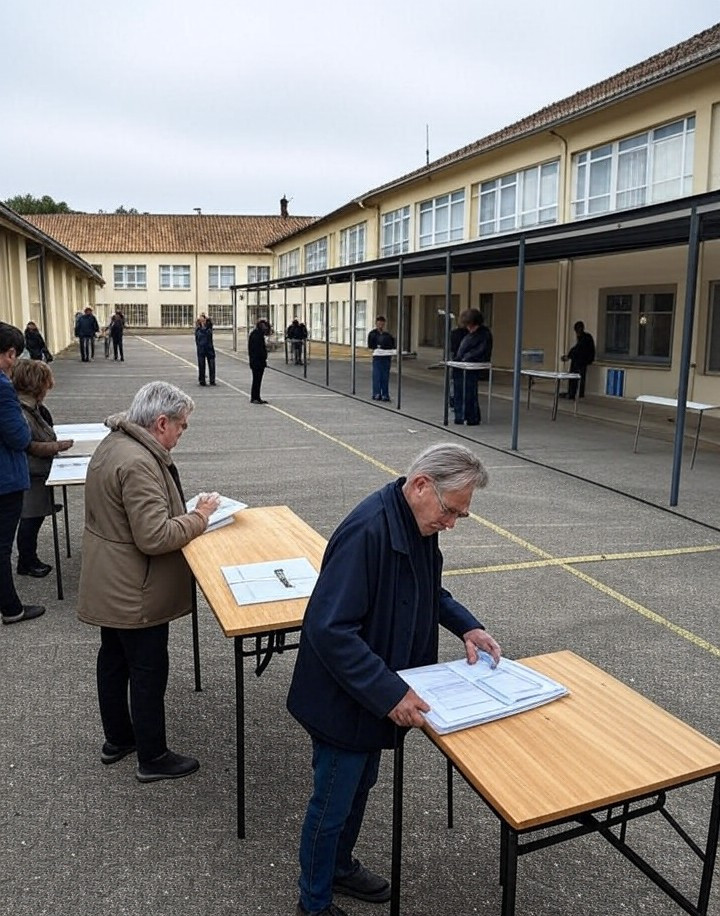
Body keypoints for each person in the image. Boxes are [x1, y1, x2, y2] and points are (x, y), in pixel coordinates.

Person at [287, 443, 501, 916]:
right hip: (344, 698)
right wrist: (391, 692)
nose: (450, 524)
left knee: (360, 785)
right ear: (421, 484)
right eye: (450, 512)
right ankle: (313, 902)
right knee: (332, 801)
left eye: (459, 518)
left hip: (373, 692)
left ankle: (339, 867)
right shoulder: (368, 531)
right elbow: (328, 628)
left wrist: (467, 624)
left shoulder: (418, 523)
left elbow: (429, 590)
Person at [77, 381, 221, 781]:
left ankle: (119, 739)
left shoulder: (116, 443)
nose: (182, 433)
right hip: (135, 588)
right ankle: (152, 756)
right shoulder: (139, 461)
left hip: (112, 578)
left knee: (113, 660)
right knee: (147, 669)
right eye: (182, 426)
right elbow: (154, 536)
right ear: (161, 422)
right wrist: (200, 516)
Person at [0, 321, 45, 625]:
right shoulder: (3, 387)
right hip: (5, 478)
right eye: (13, 356)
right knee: (2, 547)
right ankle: (11, 608)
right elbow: (19, 437)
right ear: (9, 353)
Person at [12, 360, 74, 577]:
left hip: (37, 472)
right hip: (31, 473)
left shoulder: (30, 406)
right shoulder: (22, 410)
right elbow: (29, 445)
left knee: (34, 516)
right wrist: (57, 446)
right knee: (30, 517)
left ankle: (29, 558)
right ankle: (27, 561)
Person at [452, 309, 492, 426]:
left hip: (473, 365)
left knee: (469, 392)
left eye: (470, 326)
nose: (469, 329)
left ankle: (471, 417)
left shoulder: (484, 334)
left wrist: (466, 358)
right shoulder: (470, 334)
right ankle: (460, 416)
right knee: (459, 391)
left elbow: (481, 351)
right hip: (463, 365)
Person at [562, 321, 595, 399]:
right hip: (584, 360)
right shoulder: (586, 337)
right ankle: (577, 393)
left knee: (574, 376)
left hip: (581, 361)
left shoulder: (584, 338)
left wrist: (568, 356)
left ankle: (572, 393)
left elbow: (577, 349)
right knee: (580, 377)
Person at [367, 316, 395, 402]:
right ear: (376, 323)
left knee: (385, 376)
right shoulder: (372, 334)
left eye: (382, 324)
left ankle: (385, 394)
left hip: (386, 357)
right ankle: (376, 393)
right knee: (377, 375)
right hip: (377, 357)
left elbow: (392, 345)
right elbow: (370, 345)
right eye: (379, 323)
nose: (380, 325)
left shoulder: (387, 335)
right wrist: (377, 347)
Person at [448, 312, 469, 409]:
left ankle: (453, 400)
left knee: (455, 381)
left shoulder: (454, 333)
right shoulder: (470, 334)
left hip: (457, 359)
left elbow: (451, 348)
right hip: (467, 361)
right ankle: (459, 401)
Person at [248, 318, 271, 404]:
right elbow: (258, 350)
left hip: (256, 361)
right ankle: (255, 397)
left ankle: (256, 397)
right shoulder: (257, 335)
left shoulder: (255, 334)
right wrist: (264, 357)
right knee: (256, 380)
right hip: (257, 361)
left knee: (257, 380)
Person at [195, 315, 216, 386]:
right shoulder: (198, 329)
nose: (202, 321)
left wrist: (207, 322)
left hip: (209, 349)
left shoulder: (209, 328)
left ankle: (212, 380)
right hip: (201, 349)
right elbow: (196, 339)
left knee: (212, 365)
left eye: (203, 320)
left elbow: (209, 333)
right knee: (201, 365)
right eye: (201, 320)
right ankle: (202, 380)